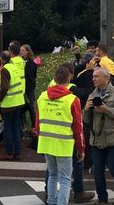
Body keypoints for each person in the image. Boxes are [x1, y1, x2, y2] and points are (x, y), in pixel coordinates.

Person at [36, 67, 86, 205]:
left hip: (46, 142)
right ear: (69, 79)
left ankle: (51, 201)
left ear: (54, 78)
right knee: (64, 179)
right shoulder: (72, 99)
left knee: (52, 175)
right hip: (63, 144)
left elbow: (37, 122)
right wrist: (81, 148)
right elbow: (78, 127)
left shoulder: (42, 96)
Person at [83, 68, 114, 205]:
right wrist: (86, 109)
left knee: (113, 168)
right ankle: (102, 200)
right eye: (93, 76)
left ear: (106, 78)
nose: (93, 79)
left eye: (96, 76)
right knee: (97, 171)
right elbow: (86, 120)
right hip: (97, 139)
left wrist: (107, 110)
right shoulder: (92, 95)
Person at [0, 43, 25, 160]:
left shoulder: (5, 70)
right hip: (18, 101)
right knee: (16, 127)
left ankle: (8, 152)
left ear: (2, 59)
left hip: (9, 103)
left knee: (7, 128)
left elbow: (4, 88)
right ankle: (17, 152)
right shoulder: (14, 67)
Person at [21, 44, 37, 131]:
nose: (21, 52)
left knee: (30, 106)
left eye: (23, 50)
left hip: (29, 87)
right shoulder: (20, 62)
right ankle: (23, 123)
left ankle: (34, 126)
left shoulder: (30, 63)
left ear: (27, 51)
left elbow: (32, 75)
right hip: (22, 88)